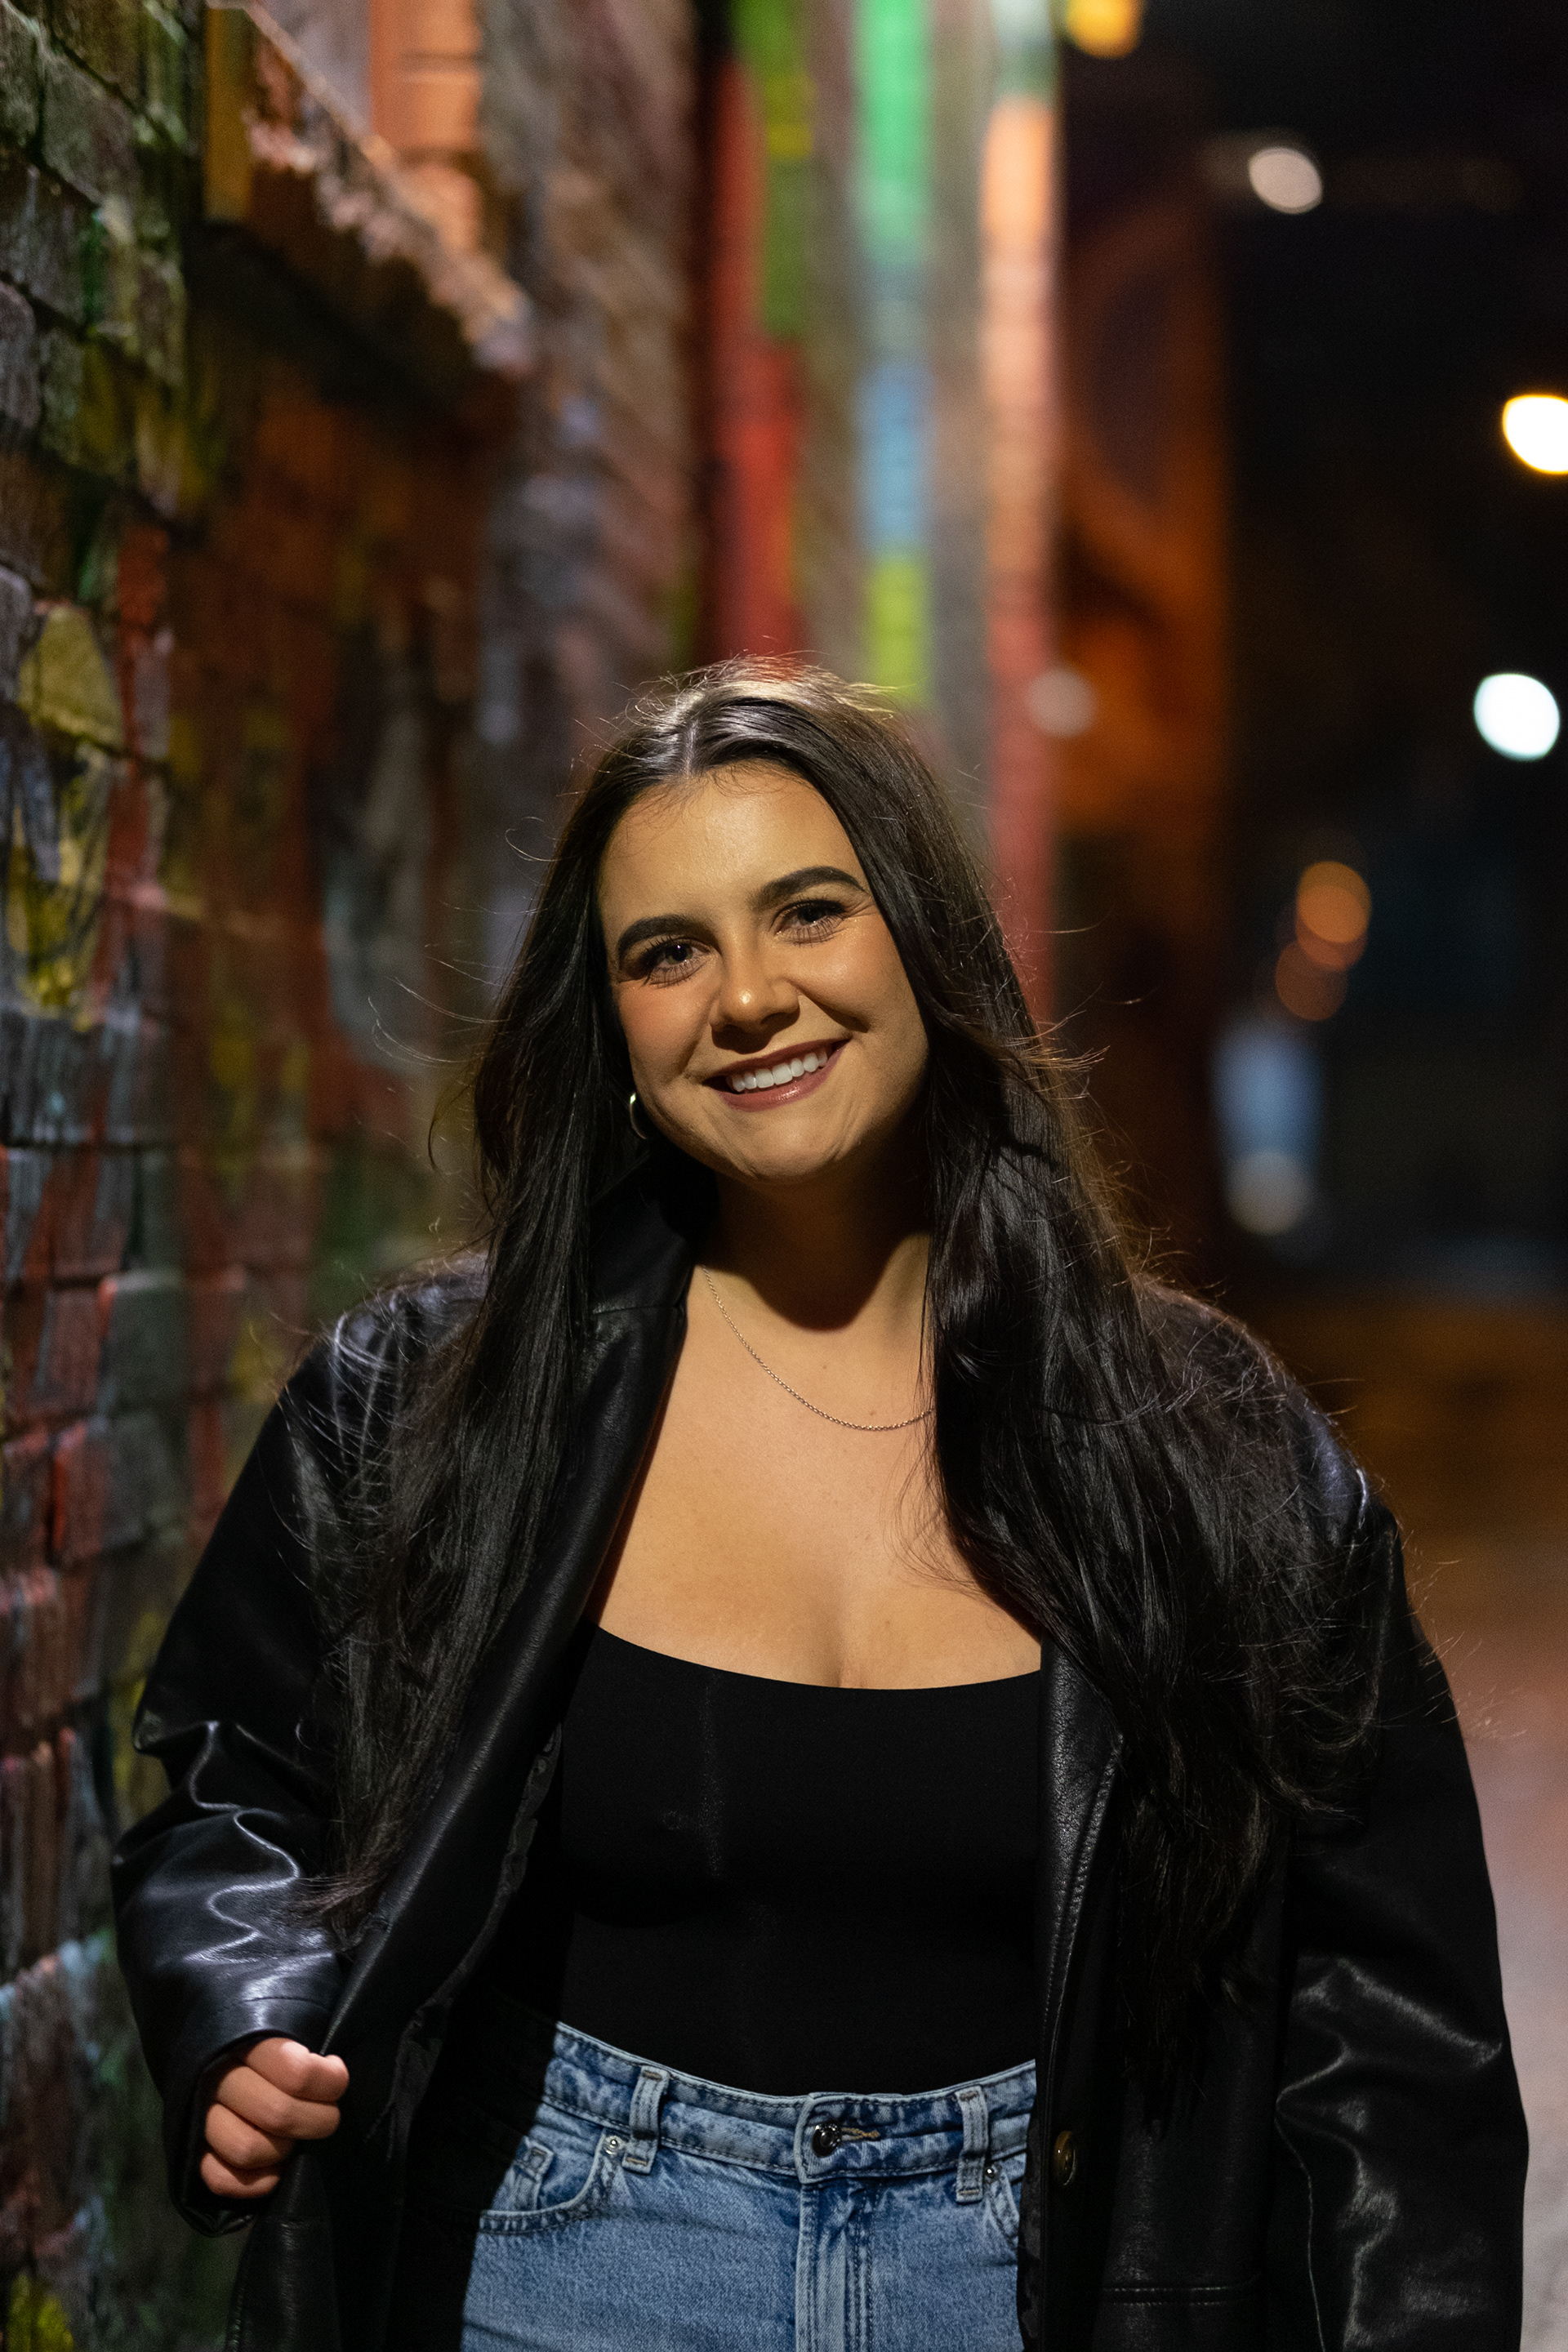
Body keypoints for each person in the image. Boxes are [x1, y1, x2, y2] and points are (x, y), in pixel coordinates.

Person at [114, 666, 1526, 2352]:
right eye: (667, 952)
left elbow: (1387, 2031)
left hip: (1042, 2281)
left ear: (926, 940)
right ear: (615, 1026)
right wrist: (244, 2014)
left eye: (807, 913)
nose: (747, 998)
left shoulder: (1206, 1442)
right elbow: (233, 1775)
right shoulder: (433, 1400)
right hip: (560, 2258)